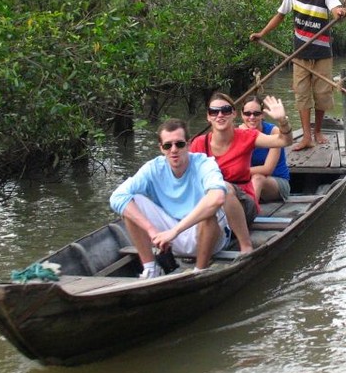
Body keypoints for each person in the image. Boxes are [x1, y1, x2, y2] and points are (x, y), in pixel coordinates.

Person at [250, 0, 346, 150]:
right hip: (300, 54)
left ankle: (318, 131)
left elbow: (336, 9)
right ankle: (306, 137)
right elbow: (280, 15)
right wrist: (262, 33)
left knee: (322, 94)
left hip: (322, 53)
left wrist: (341, 12)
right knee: (302, 94)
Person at [109, 119, 229, 278]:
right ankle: (150, 268)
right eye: (167, 145)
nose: (174, 150)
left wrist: (174, 231)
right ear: (161, 148)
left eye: (179, 144)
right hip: (168, 237)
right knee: (131, 201)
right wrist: (152, 231)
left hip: (207, 236)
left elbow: (217, 198)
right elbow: (116, 197)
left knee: (208, 210)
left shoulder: (204, 164)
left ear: (188, 144)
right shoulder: (153, 168)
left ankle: (200, 270)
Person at [189, 93, 293, 252]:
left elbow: (284, 141)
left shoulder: (247, 136)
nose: (220, 115)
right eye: (214, 111)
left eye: (225, 110)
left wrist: (282, 120)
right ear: (208, 117)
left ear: (233, 114)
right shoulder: (199, 144)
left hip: (243, 203)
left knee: (223, 187)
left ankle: (245, 246)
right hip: (211, 205)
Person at [240, 96, 291, 203]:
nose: (252, 117)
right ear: (242, 115)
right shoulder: (237, 133)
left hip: (275, 181)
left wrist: (236, 172)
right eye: (247, 114)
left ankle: (248, 214)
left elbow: (267, 169)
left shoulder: (273, 132)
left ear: (262, 115)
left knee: (258, 178)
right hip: (246, 180)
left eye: (256, 114)